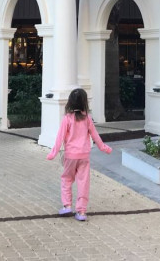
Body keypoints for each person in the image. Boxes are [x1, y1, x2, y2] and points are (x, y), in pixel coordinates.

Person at [46, 88, 112, 221]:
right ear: (84, 102)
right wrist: (104, 148)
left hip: (70, 156)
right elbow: (95, 135)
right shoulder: (87, 118)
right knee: (83, 182)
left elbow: (60, 137)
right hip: (84, 156)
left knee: (66, 179)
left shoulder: (67, 119)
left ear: (70, 102)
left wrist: (53, 153)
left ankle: (67, 206)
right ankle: (81, 212)